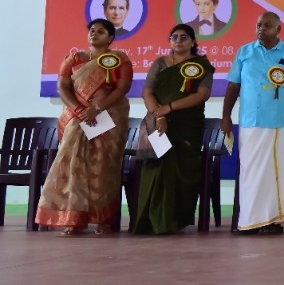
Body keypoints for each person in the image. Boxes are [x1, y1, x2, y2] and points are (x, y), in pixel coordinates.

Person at [35, 18, 133, 235]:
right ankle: (73, 218)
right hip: (77, 116)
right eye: (92, 30)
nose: (94, 33)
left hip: (108, 117)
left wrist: (97, 108)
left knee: (103, 166)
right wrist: (80, 110)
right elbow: (62, 87)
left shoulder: (119, 59)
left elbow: (122, 88)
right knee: (72, 164)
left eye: (100, 31)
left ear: (110, 37)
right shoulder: (74, 58)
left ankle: (103, 220)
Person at [221, 12, 284, 234]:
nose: (261, 28)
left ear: (278, 30)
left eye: (267, 25)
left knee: (274, 174)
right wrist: (226, 117)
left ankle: (273, 221)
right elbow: (233, 86)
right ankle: (250, 220)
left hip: (279, 123)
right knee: (250, 173)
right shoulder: (244, 52)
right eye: (259, 24)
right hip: (250, 122)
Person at [134, 24, 214, 234]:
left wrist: (169, 108)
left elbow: (202, 95)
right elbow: (147, 92)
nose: (178, 40)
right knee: (156, 168)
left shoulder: (202, 65)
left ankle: (173, 221)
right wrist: (160, 115)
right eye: (174, 37)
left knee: (180, 170)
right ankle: (150, 222)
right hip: (157, 122)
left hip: (186, 125)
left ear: (193, 41)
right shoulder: (160, 63)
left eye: (184, 37)